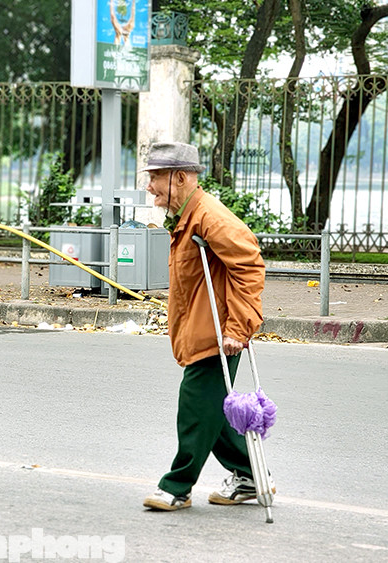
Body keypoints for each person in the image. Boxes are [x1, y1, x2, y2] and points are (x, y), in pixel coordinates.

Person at [139, 142, 269, 511]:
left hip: (218, 333)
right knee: (212, 411)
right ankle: (248, 476)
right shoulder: (186, 214)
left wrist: (238, 328)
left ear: (179, 178)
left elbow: (249, 266)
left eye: (155, 178)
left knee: (195, 408)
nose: (149, 187)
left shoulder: (210, 217)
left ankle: (177, 485)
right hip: (200, 327)